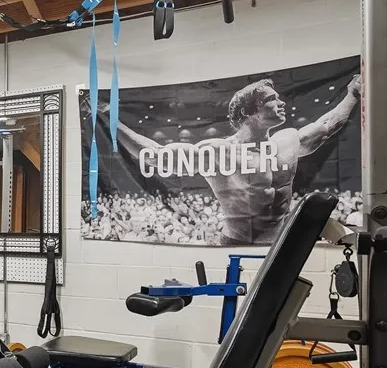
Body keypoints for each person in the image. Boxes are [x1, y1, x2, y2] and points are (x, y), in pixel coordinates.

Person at [107, 74, 361, 244]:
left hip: (279, 243)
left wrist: (352, 95)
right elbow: (155, 156)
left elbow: (327, 126)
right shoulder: (219, 152)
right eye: (271, 99)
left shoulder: (288, 140)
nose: (281, 102)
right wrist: (110, 118)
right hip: (234, 243)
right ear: (248, 112)